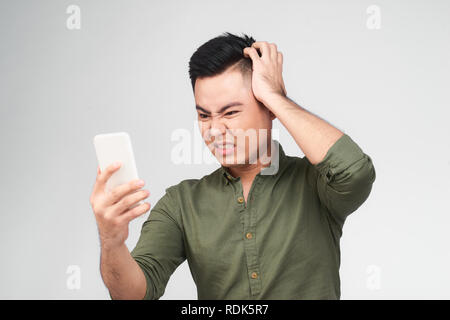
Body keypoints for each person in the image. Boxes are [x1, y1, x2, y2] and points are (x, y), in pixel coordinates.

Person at [90, 32, 376, 300]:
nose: (214, 130)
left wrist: (277, 97)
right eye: (204, 116)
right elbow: (133, 292)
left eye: (231, 112)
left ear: (268, 109)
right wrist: (112, 241)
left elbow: (355, 172)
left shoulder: (315, 184)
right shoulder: (181, 203)